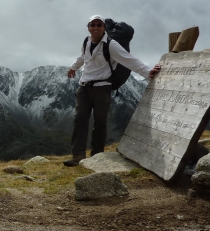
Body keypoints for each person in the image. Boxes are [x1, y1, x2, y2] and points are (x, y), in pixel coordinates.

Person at [63, 15, 162, 167]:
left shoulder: (111, 45)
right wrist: (73, 67)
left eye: (99, 25)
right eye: (92, 25)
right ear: (88, 27)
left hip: (102, 87)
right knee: (79, 119)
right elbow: (83, 56)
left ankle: (97, 156)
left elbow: (129, 60)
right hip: (84, 86)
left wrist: (148, 72)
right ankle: (78, 155)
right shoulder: (86, 41)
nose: (95, 28)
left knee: (100, 122)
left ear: (104, 28)